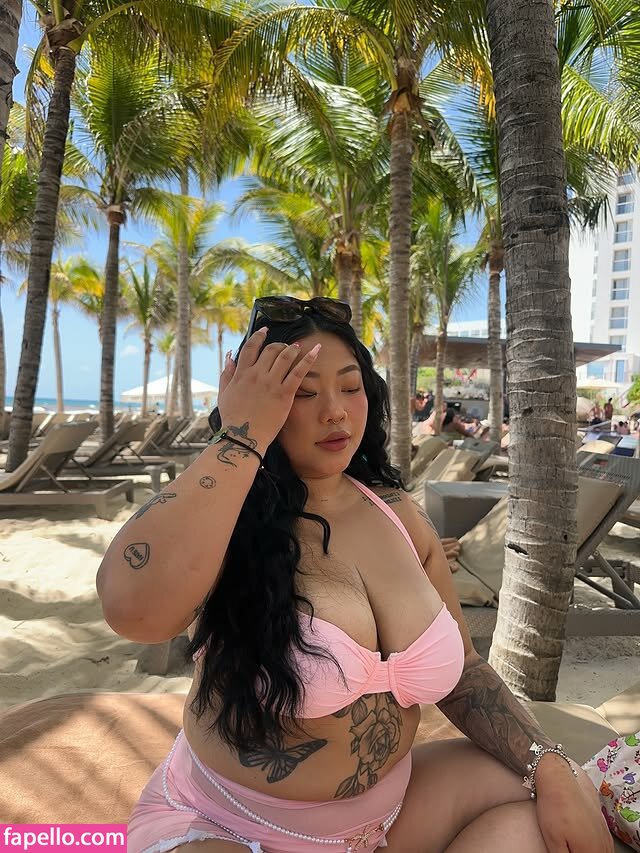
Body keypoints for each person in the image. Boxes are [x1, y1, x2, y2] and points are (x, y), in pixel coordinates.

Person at [97, 295, 611, 853]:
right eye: (302, 392)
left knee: (552, 800)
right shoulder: (226, 522)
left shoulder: (397, 513)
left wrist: (549, 763)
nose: (335, 412)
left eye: (349, 387)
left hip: (388, 819)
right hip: (231, 825)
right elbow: (134, 612)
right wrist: (241, 435)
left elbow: (464, 670)